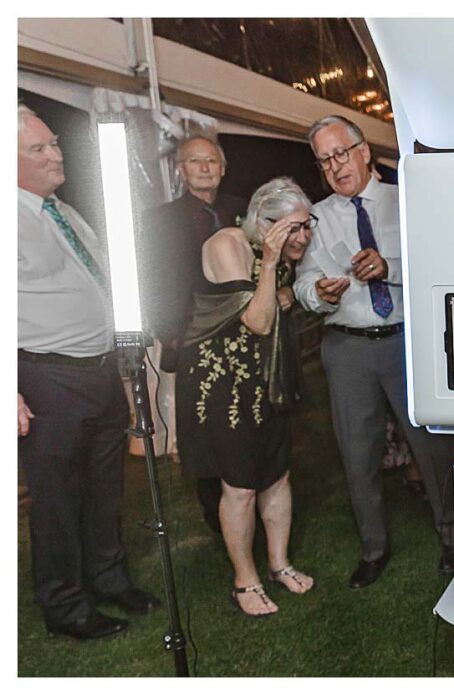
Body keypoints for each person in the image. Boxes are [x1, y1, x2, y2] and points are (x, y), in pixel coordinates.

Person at [293, 115, 454, 588]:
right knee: (356, 452)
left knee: (432, 446)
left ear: (364, 151)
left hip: (408, 339)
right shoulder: (317, 216)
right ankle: (373, 547)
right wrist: (315, 294)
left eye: (341, 153)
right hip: (348, 346)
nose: (335, 166)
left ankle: (451, 538)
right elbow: (304, 280)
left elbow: (439, 262)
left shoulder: (406, 201)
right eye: (324, 160)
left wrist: (390, 266)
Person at [18, 104, 158, 640]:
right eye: (39, 149)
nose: (56, 154)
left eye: (54, 143)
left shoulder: (63, 211)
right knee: (56, 500)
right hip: (46, 379)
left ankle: (109, 579)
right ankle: (65, 606)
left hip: (99, 374)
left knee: (105, 487)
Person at [175, 177, 315, 616]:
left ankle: (279, 564)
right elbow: (257, 320)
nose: (303, 237)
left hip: (263, 380)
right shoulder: (228, 243)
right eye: (293, 227)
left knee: (277, 474)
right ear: (262, 221)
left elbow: (279, 302)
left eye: (307, 226)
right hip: (223, 387)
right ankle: (245, 581)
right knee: (240, 487)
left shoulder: (275, 252)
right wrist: (273, 266)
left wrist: (286, 285)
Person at [142, 134, 247, 534]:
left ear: (222, 168)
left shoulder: (242, 210)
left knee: (247, 424)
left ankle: (249, 501)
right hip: (193, 344)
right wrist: (170, 333)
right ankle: (215, 516)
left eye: (211, 161)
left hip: (244, 339)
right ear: (181, 170)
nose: (204, 167)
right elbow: (150, 282)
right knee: (204, 430)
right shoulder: (159, 221)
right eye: (194, 161)